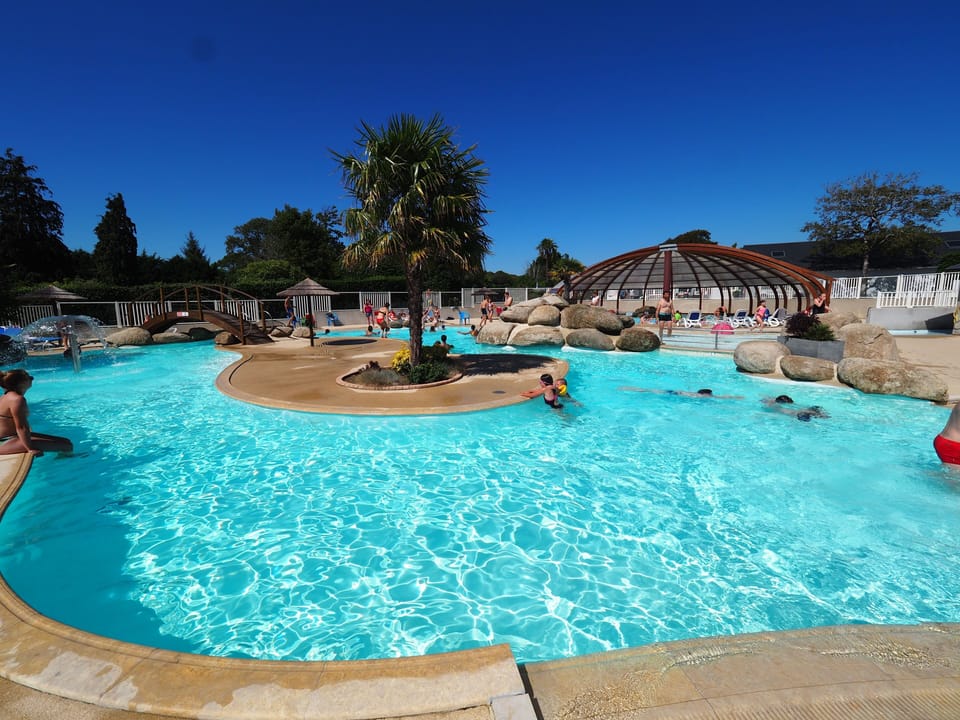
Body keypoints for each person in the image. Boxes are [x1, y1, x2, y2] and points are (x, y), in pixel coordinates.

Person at [0, 369, 73, 456]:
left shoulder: (6, 396)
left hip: (10, 438)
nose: (32, 379)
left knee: (66, 442)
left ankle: (62, 459)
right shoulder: (17, 400)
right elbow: (21, 428)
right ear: (22, 383)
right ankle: (63, 463)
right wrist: (30, 449)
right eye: (29, 378)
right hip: (5, 442)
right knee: (67, 446)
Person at [761, 394, 830, 421]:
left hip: (800, 414)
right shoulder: (779, 406)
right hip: (802, 413)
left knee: (806, 412)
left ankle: (819, 415)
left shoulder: (777, 406)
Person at [619, 387, 743, 399]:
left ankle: (634, 389)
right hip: (674, 394)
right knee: (650, 392)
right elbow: (719, 397)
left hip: (675, 393)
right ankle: (634, 389)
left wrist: (735, 397)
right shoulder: (698, 396)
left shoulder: (697, 395)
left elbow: (720, 397)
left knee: (651, 391)